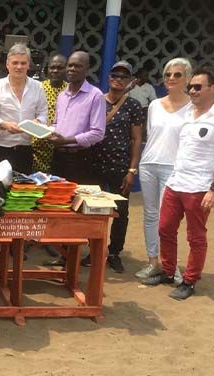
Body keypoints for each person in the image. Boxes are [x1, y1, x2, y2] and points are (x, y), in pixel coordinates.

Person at [142, 66, 214, 300]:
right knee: (165, 229)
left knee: (195, 237)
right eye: (191, 87)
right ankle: (167, 272)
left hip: (199, 187)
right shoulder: (186, 115)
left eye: (198, 87)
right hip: (176, 182)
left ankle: (190, 280)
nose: (193, 91)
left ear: (213, 88)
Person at [135, 58, 193, 281]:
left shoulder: (192, 108)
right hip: (149, 164)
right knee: (150, 215)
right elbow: (151, 135)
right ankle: (153, 262)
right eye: (168, 74)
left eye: (177, 75)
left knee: (167, 220)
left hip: (173, 167)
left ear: (187, 78)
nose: (171, 78)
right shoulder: (155, 105)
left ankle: (171, 266)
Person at [85, 61, 143, 273]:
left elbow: (136, 139)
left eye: (123, 76)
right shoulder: (96, 100)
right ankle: (94, 251)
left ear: (129, 81)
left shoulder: (133, 106)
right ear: (109, 78)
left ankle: (114, 252)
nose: (118, 79)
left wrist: (131, 170)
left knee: (121, 212)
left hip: (120, 166)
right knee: (93, 211)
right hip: (94, 165)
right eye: (115, 75)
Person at [0, 43, 48, 174]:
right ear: (7, 65)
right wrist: (5, 125)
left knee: (22, 191)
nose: (19, 67)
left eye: (23, 63)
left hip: (24, 149)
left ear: (28, 65)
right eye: (15, 63)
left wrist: (38, 122)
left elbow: (43, 114)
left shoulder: (38, 87)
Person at [48, 51, 105, 183]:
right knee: (57, 199)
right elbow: (56, 124)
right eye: (70, 65)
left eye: (78, 66)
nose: (72, 69)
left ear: (87, 69)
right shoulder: (62, 95)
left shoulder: (95, 95)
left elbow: (98, 133)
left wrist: (66, 140)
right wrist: (46, 131)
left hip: (80, 158)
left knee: (77, 200)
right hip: (57, 156)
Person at [32, 53, 67, 173]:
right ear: (47, 69)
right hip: (37, 148)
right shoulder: (38, 88)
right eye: (52, 67)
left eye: (60, 68)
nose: (55, 71)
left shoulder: (70, 91)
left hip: (60, 147)